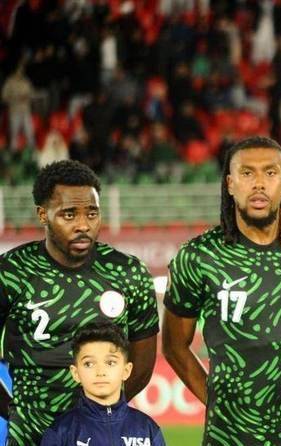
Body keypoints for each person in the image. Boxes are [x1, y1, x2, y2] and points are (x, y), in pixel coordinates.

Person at [162, 136, 281, 445]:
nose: (259, 183)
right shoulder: (198, 256)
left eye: (270, 173)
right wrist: (217, 402)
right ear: (230, 184)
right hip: (228, 436)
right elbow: (174, 346)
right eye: (247, 173)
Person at [0, 160, 159, 445]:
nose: (83, 225)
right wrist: (14, 413)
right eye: (69, 214)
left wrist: (101, 415)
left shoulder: (129, 273)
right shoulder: (11, 271)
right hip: (29, 435)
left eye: (92, 213)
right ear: (43, 215)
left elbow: (143, 361)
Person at [40, 321, 166, 446]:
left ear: (126, 371)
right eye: (89, 364)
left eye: (110, 363)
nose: (100, 372)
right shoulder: (61, 432)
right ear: (75, 373)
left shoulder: (147, 429)